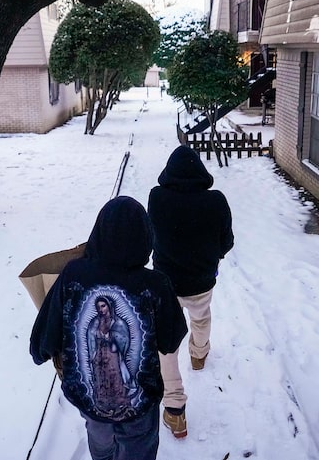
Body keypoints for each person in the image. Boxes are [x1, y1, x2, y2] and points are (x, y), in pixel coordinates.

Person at [30, 196, 187, 460]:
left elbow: (48, 328)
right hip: (139, 403)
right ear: (145, 237)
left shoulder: (74, 274)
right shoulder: (155, 284)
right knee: (138, 448)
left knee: (99, 437)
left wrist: (41, 351)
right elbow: (171, 339)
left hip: (88, 399)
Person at [147, 145, 234, 439]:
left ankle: (175, 411)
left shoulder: (157, 198)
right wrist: (209, 257)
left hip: (165, 285)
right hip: (201, 281)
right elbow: (227, 242)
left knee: (166, 341)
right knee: (201, 317)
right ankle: (199, 353)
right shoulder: (216, 201)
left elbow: (151, 237)